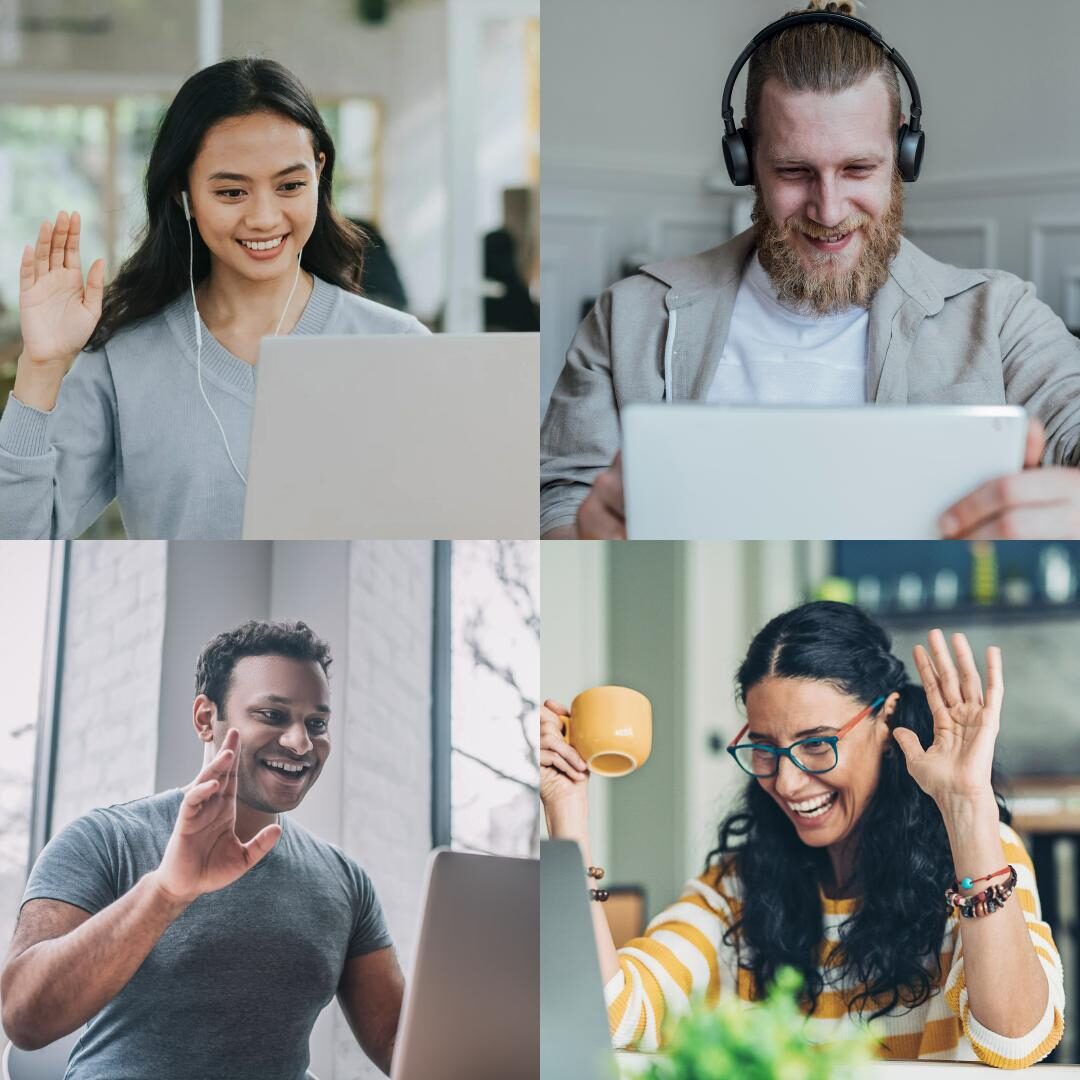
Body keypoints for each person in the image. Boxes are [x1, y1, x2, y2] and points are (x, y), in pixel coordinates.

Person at [540, 0, 1080, 540]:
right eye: (795, 171)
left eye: (858, 169)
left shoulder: (1004, 319)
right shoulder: (628, 318)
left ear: (903, 154)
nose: (829, 210)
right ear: (746, 159)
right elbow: (560, 501)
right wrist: (584, 536)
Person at [540, 602, 1066, 1067]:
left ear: (885, 722)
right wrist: (567, 812)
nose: (787, 782)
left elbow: (1016, 1042)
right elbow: (611, 1019)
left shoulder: (976, 859)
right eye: (765, 748)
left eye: (816, 745)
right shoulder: (736, 886)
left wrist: (966, 809)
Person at [0, 58, 426, 540]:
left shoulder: (400, 346)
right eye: (231, 192)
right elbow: (21, 541)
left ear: (319, 173)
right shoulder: (123, 360)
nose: (265, 217)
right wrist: (42, 367)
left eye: (290, 186)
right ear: (185, 192)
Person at [0, 620, 403, 1080]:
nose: (300, 742)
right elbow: (24, 1017)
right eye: (272, 715)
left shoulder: (344, 880)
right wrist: (166, 892)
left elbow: (396, 1042)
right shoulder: (104, 839)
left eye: (317, 724)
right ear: (206, 718)